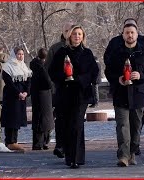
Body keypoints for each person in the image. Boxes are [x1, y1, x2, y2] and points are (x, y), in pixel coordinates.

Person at [104, 18, 144, 156]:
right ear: (122, 33)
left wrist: (141, 75)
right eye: (127, 32)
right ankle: (124, 155)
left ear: (137, 33)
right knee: (123, 125)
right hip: (120, 92)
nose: (130, 35)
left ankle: (134, 149)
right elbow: (108, 67)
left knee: (136, 125)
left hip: (138, 92)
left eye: (132, 32)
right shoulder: (115, 47)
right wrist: (117, 78)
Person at [49, 25, 99, 169]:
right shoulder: (61, 52)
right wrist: (64, 77)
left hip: (81, 94)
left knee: (77, 124)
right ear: (69, 36)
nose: (77, 36)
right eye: (74, 34)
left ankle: (76, 158)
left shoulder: (87, 53)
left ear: (83, 37)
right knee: (66, 124)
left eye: (79, 34)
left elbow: (94, 73)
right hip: (65, 93)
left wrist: (79, 79)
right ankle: (69, 156)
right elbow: (52, 72)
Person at [46, 22, 74, 158]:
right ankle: (60, 145)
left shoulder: (80, 48)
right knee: (60, 118)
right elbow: (47, 69)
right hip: (59, 89)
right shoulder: (56, 48)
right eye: (67, 30)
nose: (69, 33)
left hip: (75, 90)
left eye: (72, 30)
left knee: (73, 119)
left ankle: (71, 146)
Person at [1, 47, 32, 151]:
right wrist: (18, 93)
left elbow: (28, 80)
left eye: (22, 54)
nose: (21, 56)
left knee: (18, 118)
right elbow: (8, 82)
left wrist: (26, 92)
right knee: (11, 118)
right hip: (12, 96)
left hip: (21, 96)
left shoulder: (24, 66)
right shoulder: (7, 66)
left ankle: (15, 140)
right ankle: (9, 141)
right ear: (14, 55)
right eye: (19, 54)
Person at [30, 48, 54, 150]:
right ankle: (43, 142)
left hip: (37, 94)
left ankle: (38, 142)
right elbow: (48, 81)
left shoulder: (34, 66)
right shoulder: (42, 67)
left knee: (38, 117)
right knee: (45, 119)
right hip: (44, 95)